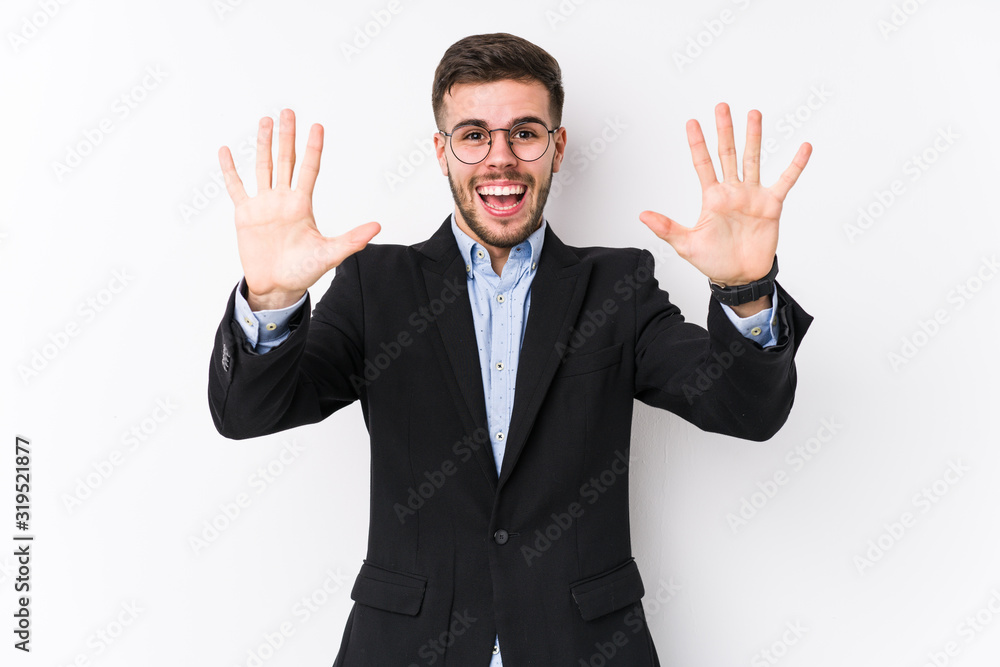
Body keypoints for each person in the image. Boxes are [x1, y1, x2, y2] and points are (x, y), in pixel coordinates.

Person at [208, 32, 813, 667]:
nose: (501, 159)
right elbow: (248, 413)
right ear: (442, 152)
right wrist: (271, 296)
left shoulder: (618, 285)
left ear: (558, 147)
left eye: (525, 133)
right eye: (474, 135)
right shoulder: (375, 285)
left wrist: (746, 290)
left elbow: (747, 411)